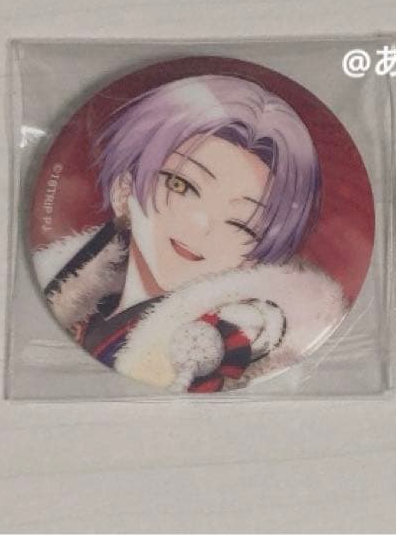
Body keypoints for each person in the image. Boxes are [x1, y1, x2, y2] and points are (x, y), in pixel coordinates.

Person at [33, 75, 345, 392]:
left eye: (242, 223)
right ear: (124, 189)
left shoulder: (238, 342)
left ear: (257, 255)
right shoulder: (71, 301)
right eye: (180, 185)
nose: (200, 224)